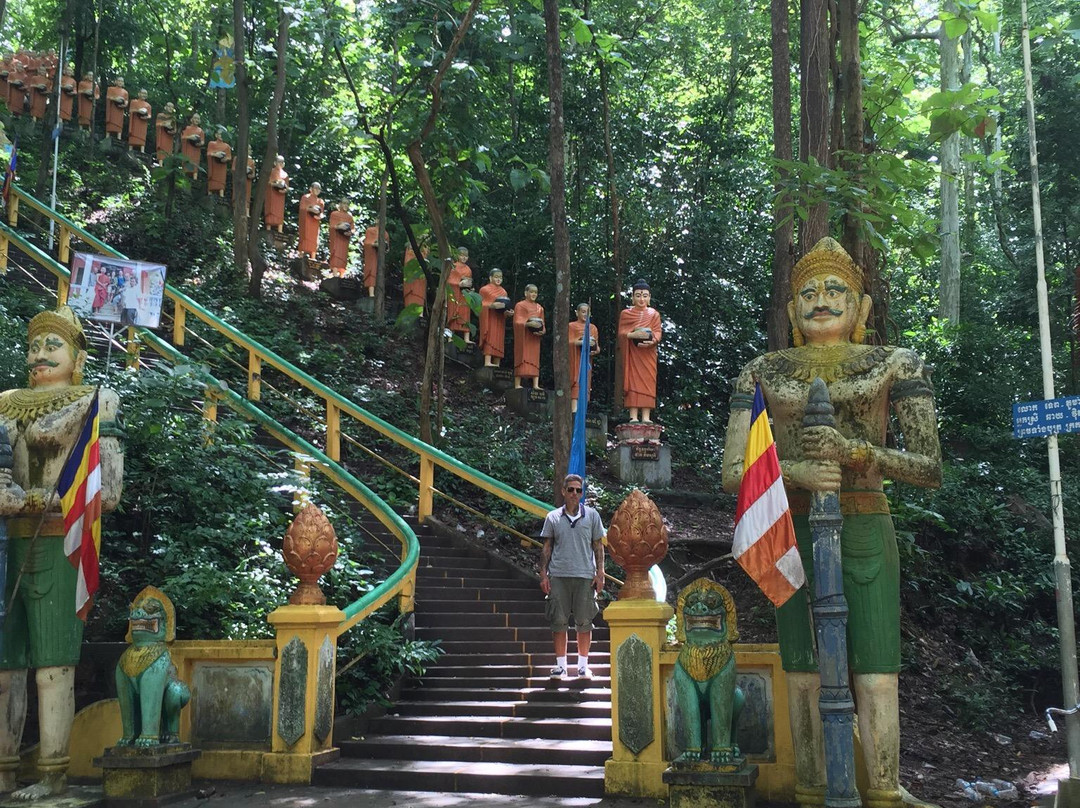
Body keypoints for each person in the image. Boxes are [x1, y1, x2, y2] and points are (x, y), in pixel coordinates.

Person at [721, 237, 942, 808]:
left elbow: (928, 466)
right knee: (803, 666)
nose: (821, 300)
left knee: (875, 669)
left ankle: (886, 789)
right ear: (791, 311)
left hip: (866, 521)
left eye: (835, 289)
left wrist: (858, 453)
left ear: (863, 308)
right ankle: (812, 787)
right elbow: (732, 472)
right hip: (788, 525)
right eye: (808, 293)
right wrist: (791, 468)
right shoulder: (763, 370)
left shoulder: (895, 362)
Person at [0, 306, 123, 800]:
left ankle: (52, 773)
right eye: (34, 346)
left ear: (77, 356)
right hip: (7, 541)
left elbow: (108, 487)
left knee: (53, 666)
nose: (39, 355)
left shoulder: (96, 401)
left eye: (52, 345)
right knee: (6, 668)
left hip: (60, 536)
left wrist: (55, 498)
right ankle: (5, 769)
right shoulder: (6, 403)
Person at [539, 474, 605, 681]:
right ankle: (561, 666)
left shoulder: (592, 516)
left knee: (585, 622)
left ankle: (583, 667)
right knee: (558, 621)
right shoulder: (553, 517)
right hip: (558, 575)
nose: (575, 494)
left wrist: (600, 572)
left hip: (585, 575)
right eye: (571, 490)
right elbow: (547, 547)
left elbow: (598, 546)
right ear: (563, 491)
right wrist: (543, 574)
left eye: (578, 490)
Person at [617, 279, 662, 423]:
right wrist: (632, 335)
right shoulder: (626, 313)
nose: (641, 299)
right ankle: (633, 416)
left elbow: (657, 332)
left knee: (648, 382)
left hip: (648, 354)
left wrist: (652, 340)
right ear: (632, 297)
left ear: (649, 297)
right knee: (633, 382)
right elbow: (621, 333)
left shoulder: (654, 314)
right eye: (638, 295)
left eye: (644, 295)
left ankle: (647, 417)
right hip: (633, 354)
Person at [512, 284, 546, 389]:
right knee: (521, 356)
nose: (534, 294)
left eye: (535, 292)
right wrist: (527, 323)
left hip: (534, 338)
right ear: (526, 293)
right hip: (524, 337)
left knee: (535, 359)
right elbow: (517, 320)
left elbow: (543, 324)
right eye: (531, 292)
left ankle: (535, 384)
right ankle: (517, 383)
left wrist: (542, 331)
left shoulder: (539, 308)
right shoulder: (520, 305)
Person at [569, 302, 600, 413]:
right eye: (582, 312)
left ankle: (583, 410)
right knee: (576, 380)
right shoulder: (571, 326)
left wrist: (594, 350)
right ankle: (574, 409)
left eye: (587, 312)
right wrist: (580, 342)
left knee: (586, 382)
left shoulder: (593, 328)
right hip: (576, 359)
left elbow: (597, 347)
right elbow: (568, 342)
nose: (585, 314)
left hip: (587, 360)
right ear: (576, 313)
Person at [478, 268, 511, 367]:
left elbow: (506, 306)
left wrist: (508, 313)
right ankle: (487, 361)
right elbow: (480, 305)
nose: (498, 279)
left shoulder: (503, 292)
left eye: (500, 277)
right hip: (490, 318)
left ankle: (497, 362)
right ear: (490, 277)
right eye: (496, 277)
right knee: (490, 337)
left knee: (499, 340)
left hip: (500, 319)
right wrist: (492, 305)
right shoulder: (484, 290)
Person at [447, 248, 473, 343]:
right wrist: (459, 283)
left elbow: (469, 282)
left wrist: (469, 288)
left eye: (466, 256)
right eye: (462, 255)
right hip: (455, 294)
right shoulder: (453, 266)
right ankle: (450, 337)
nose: (464, 257)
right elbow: (449, 281)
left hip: (464, 296)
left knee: (465, 316)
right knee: (453, 314)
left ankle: (466, 338)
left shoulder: (468, 269)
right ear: (457, 255)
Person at [328, 199, 355, 277]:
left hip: (345, 239)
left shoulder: (350, 217)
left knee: (343, 257)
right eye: (344, 203)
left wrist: (350, 232)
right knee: (336, 255)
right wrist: (339, 227)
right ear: (340, 204)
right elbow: (332, 226)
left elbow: (353, 228)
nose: (345, 205)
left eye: (347, 204)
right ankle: (335, 274)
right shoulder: (334, 214)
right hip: (336, 238)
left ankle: (341, 276)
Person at [297, 182, 323, 259]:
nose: (317, 190)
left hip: (315, 223)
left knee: (314, 239)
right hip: (306, 221)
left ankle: (313, 257)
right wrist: (310, 209)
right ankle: (301, 255)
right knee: (304, 236)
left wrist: (319, 216)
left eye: (319, 188)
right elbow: (302, 208)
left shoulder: (320, 201)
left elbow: (321, 212)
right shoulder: (305, 197)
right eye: (316, 188)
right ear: (311, 189)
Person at [362, 224, 389, 297]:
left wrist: (384, 246)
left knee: (379, 274)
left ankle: (379, 293)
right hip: (371, 256)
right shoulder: (370, 230)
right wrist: (373, 244)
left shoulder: (385, 233)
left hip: (379, 257)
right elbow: (367, 242)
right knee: (372, 273)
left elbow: (387, 247)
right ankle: (371, 293)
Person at [402, 240, 428, 315]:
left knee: (420, 300)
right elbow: (408, 264)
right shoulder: (409, 251)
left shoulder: (424, 250)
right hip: (412, 283)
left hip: (421, 282)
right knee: (411, 301)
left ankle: (420, 316)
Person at [264, 155, 288, 233]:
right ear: (275, 163)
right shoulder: (271, 171)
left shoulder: (285, 175)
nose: (280, 164)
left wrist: (284, 190)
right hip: (272, 194)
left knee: (279, 212)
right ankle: (268, 228)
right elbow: (268, 182)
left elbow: (287, 186)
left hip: (280, 196)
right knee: (271, 210)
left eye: (282, 162)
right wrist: (275, 184)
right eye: (279, 162)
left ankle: (280, 230)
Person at [206, 128, 232, 197]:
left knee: (221, 182)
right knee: (212, 183)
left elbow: (229, 157)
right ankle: (209, 194)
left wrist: (225, 159)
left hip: (222, 166)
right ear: (216, 135)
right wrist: (215, 154)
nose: (221, 136)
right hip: (214, 165)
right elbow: (209, 153)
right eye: (220, 134)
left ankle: (221, 195)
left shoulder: (227, 146)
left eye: (223, 135)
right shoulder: (211, 143)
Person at [180, 113, 204, 179]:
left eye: (198, 119)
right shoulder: (187, 128)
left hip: (196, 150)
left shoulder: (200, 131)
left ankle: (195, 178)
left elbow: (202, 141)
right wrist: (190, 137)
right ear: (192, 119)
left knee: (195, 166)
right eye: (195, 118)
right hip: (188, 150)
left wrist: (200, 143)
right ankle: (184, 178)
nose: (196, 120)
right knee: (186, 164)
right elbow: (183, 137)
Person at [104, 76, 128, 141]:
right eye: (119, 81)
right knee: (110, 124)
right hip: (112, 109)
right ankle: (107, 136)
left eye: (122, 81)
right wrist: (115, 99)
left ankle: (119, 137)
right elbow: (108, 97)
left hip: (120, 110)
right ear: (116, 81)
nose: (120, 82)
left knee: (119, 125)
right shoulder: (111, 89)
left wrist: (124, 105)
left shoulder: (125, 92)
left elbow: (126, 101)